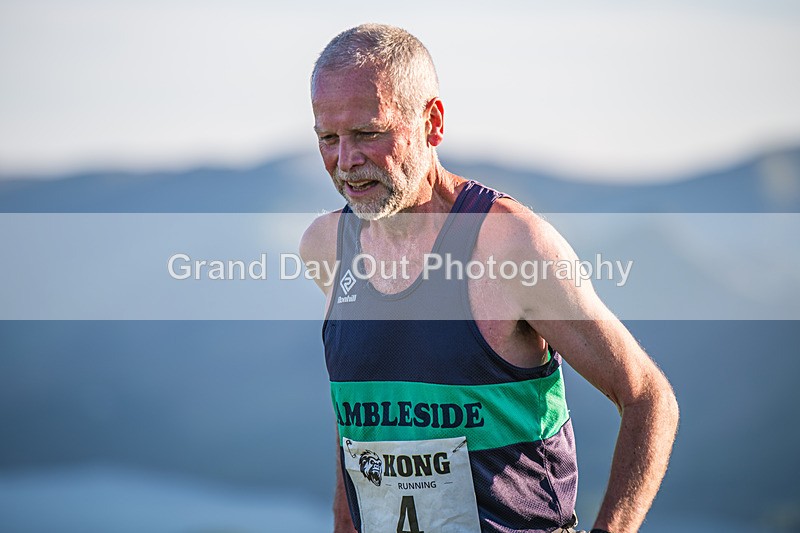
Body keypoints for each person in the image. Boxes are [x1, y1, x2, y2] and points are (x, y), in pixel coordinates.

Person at [300, 23, 679, 533]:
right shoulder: (327, 247)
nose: (346, 161)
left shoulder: (510, 244)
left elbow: (648, 398)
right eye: (329, 138)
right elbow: (359, 425)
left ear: (431, 122)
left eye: (369, 132)